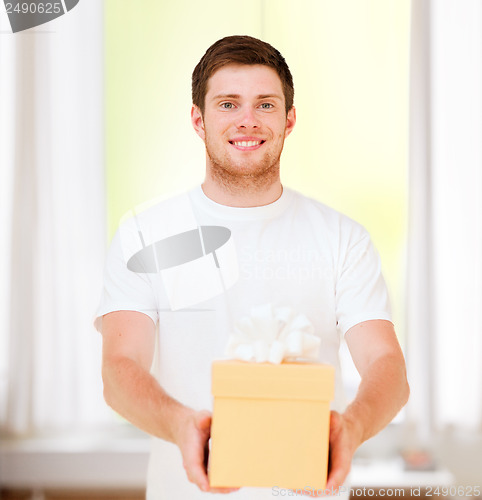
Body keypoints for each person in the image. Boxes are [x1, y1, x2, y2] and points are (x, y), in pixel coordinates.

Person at [96, 35, 409, 499]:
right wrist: (181, 424)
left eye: (265, 104)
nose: (248, 120)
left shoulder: (342, 238)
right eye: (228, 103)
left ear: (289, 119)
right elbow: (119, 368)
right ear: (198, 121)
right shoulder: (146, 233)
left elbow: (387, 365)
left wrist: (354, 426)